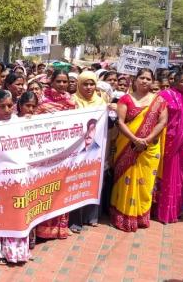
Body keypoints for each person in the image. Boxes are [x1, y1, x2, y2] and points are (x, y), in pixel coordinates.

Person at [111, 68, 167, 232]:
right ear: (135, 80)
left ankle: (141, 215)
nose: (144, 81)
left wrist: (146, 140)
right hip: (127, 145)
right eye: (141, 78)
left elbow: (162, 122)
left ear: (152, 81)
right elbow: (120, 122)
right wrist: (135, 139)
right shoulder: (125, 99)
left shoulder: (159, 101)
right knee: (125, 179)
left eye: (148, 79)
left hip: (149, 149)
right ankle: (123, 216)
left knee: (146, 183)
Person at [0, 90, 31, 264]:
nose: (7, 109)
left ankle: (16, 252)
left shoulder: (20, 122)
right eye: (2, 106)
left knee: (15, 211)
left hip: (17, 176)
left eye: (10, 105)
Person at [35, 71, 75, 239]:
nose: (62, 84)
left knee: (62, 189)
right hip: (45, 153)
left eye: (65, 81)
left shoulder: (72, 102)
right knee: (45, 190)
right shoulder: (42, 101)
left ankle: (60, 226)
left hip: (65, 153)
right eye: (58, 81)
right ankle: (42, 228)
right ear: (51, 82)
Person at [68, 71, 107, 233]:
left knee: (92, 180)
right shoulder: (72, 100)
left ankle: (91, 216)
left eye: (92, 84)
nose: (89, 87)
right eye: (85, 84)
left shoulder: (101, 101)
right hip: (77, 152)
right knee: (76, 183)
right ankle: (75, 220)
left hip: (95, 151)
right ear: (79, 84)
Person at [155, 71, 183, 224]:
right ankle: (165, 211)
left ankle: (178, 209)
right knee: (167, 176)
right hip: (169, 142)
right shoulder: (166, 95)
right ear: (176, 81)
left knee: (181, 178)